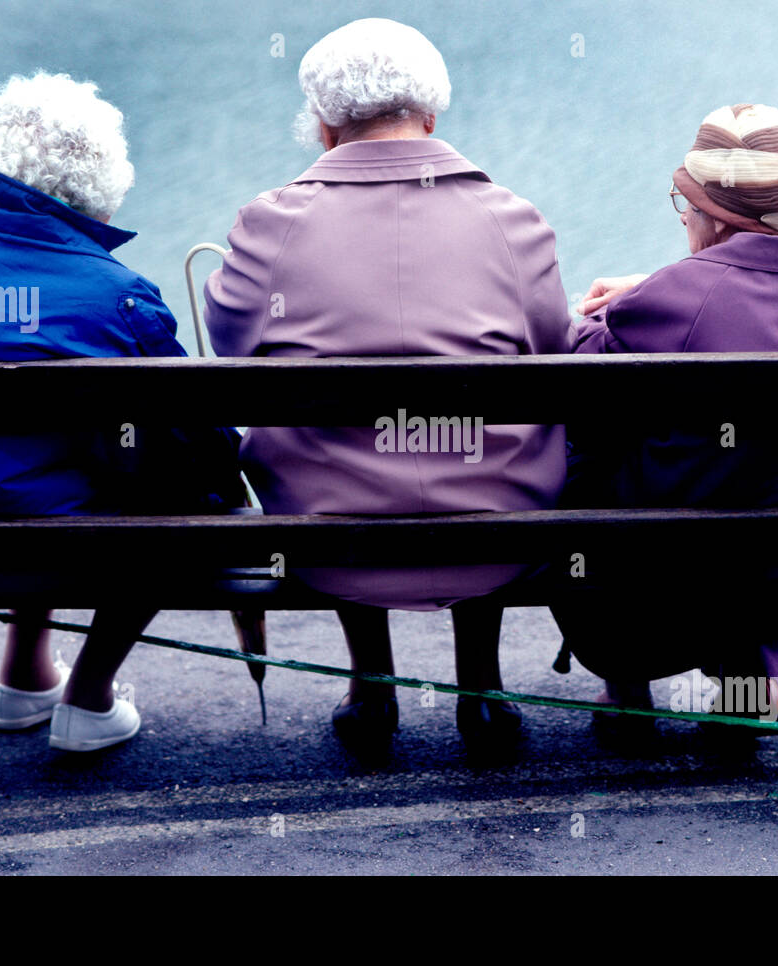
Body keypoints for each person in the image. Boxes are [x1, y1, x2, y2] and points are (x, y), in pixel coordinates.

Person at [0, 72, 251, 752]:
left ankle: (25, 677)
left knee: (29, 456)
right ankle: (87, 701)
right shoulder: (112, 296)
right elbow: (194, 442)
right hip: (34, 549)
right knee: (167, 496)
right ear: (95, 182)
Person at [204, 19, 573, 757]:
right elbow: (552, 351)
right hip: (497, 535)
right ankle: (481, 689)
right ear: (431, 116)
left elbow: (232, 346)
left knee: (325, 444)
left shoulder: (270, 223)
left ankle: (372, 685)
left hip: (331, 537)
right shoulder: (511, 219)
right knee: (496, 438)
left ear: (324, 124)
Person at [555, 103, 778, 740]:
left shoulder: (671, 299)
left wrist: (629, 301)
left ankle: (627, 687)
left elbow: (581, 375)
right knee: (769, 469)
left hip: (667, 547)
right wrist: (661, 283)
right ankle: (748, 683)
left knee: (588, 459)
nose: (685, 219)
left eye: (687, 207)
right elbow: (751, 299)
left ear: (715, 220)